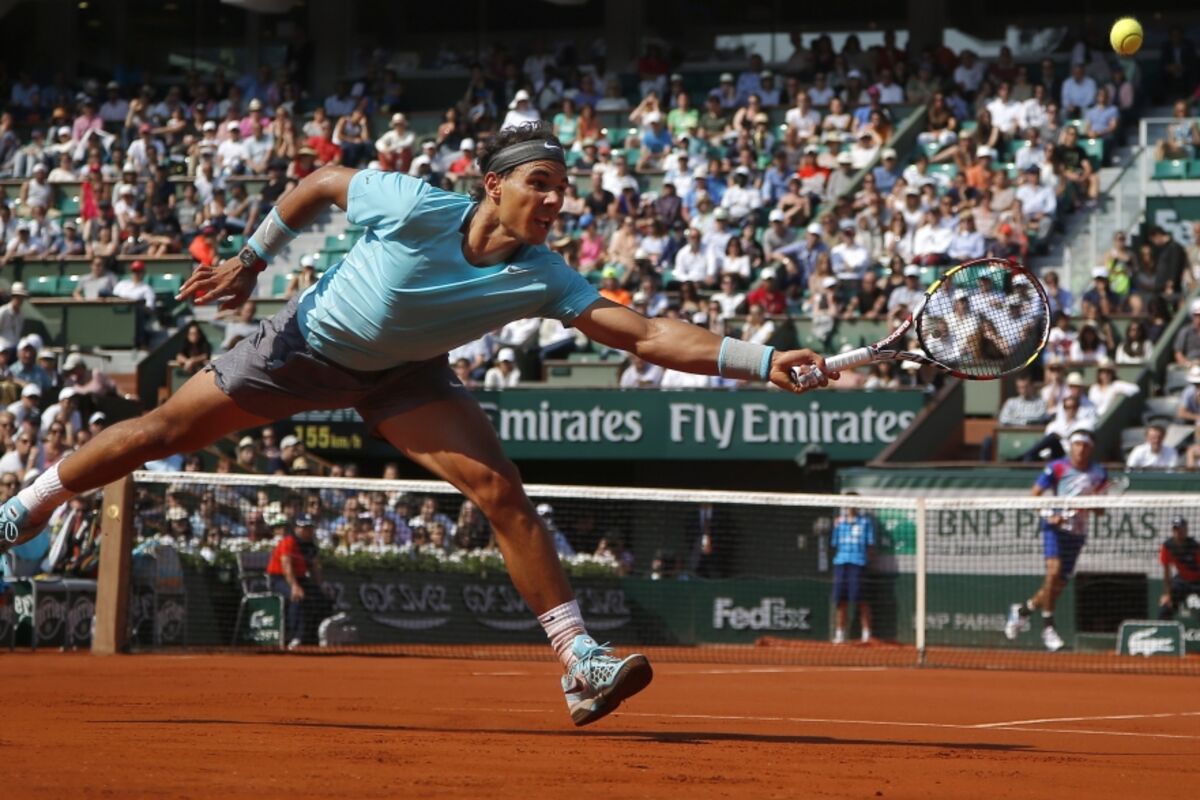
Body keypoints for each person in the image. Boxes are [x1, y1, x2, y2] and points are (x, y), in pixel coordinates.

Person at [0, 122, 832, 726]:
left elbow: (645, 334)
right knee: (159, 434)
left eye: (562, 187)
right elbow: (321, 182)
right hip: (302, 348)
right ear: (493, 186)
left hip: (406, 377)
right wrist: (252, 260)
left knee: (502, 492)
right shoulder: (412, 203)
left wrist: (759, 359)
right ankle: (27, 507)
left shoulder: (545, 274)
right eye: (539, 183)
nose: (555, 200)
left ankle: (580, 661)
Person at [1005, 428, 1109, 651]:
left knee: (1056, 586)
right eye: (1077, 444)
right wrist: (1049, 516)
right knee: (1053, 573)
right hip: (1054, 528)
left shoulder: (1099, 473)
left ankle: (1023, 610)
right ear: (1071, 447)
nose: (1080, 449)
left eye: (1085, 445)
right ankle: (1048, 627)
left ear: (1091, 448)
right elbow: (1034, 496)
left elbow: (1101, 511)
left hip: (1077, 533)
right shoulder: (1057, 467)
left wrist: (1092, 502)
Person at [265, 513, 328, 648]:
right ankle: (294, 636)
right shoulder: (288, 542)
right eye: (304, 527)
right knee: (297, 597)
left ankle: (314, 636)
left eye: (310, 527)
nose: (308, 530)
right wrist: (294, 586)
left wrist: (321, 586)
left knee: (320, 597)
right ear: (297, 528)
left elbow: (315, 568)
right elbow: (286, 566)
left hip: (300, 578)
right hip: (278, 578)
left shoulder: (310, 545)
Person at [830, 497, 874, 644]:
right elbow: (834, 543)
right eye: (849, 503)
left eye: (854, 502)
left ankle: (866, 634)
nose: (851, 506)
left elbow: (870, 545)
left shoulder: (865, 522)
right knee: (840, 600)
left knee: (861, 599)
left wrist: (867, 562)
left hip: (858, 563)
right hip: (841, 563)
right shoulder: (839, 522)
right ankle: (840, 634)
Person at [1158, 517, 1200, 621]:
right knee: (1165, 609)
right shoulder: (1167, 546)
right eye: (1176, 529)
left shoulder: (1195, 547)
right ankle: (1165, 630)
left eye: (1181, 529)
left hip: (1197, 582)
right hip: (1181, 581)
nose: (1179, 532)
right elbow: (1167, 572)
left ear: (1186, 530)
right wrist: (1168, 595)